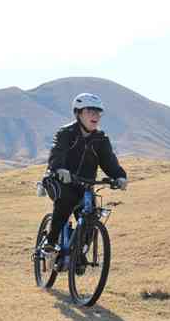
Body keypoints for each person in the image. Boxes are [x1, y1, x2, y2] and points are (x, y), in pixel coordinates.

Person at [42, 93, 128, 253]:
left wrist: (120, 176)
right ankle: (50, 242)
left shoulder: (101, 139)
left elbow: (109, 161)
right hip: (61, 181)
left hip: (85, 185)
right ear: (78, 113)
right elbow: (57, 153)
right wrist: (59, 168)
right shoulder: (66, 133)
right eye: (90, 111)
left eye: (98, 112)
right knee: (65, 203)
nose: (95, 115)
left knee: (91, 221)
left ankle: (76, 255)